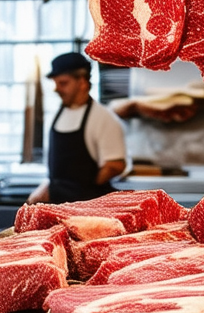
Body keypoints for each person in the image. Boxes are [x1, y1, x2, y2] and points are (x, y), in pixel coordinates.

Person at [27, 51, 128, 204]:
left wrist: (84, 191)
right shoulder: (59, 114)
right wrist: (48, 185)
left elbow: (114, 166)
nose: (57, 89)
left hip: (88, 207)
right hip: (58, 204)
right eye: (55, 83)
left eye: (63, 83)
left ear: (82, 82)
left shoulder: (104, 118)